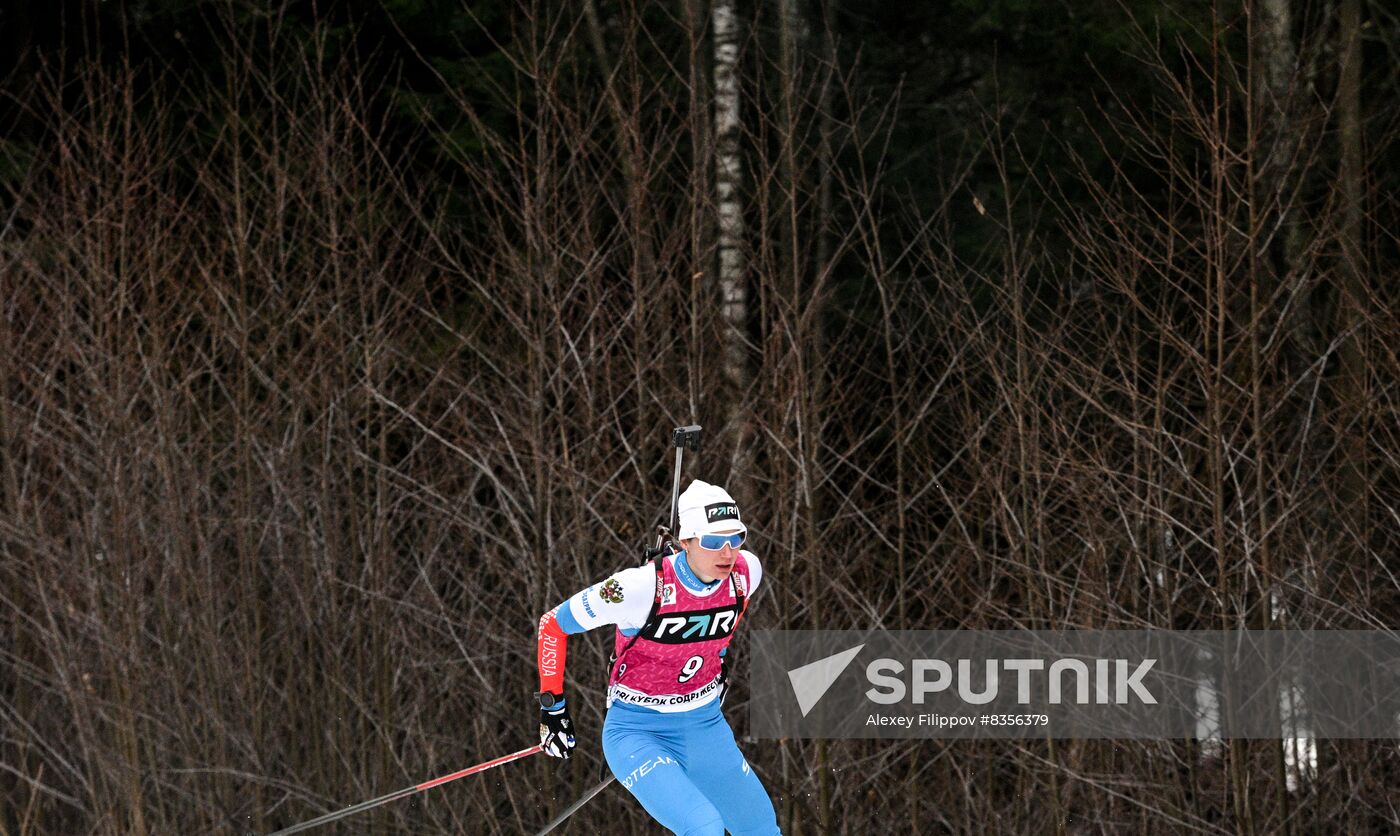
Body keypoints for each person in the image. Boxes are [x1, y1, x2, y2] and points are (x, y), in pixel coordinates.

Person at [534, 480, 781, 836]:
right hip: (638, 732)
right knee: (704, 827)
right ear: (686, 542)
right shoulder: (637, 588)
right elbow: (552, 625)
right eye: (713, 542)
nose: (727, 553)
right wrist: (552, 708)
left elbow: (717, 630)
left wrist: (717, 668)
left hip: (704, 726)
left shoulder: (746, 573)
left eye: (736, 538)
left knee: (759, 827)